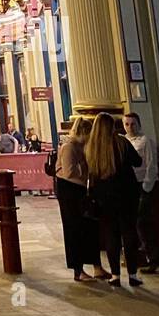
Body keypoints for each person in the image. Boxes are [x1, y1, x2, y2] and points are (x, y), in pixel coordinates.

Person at [85, 112, 143, 287]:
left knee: (111, 235)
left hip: (104, 198)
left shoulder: (92, 148)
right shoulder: (121, 142)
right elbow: (138, 161)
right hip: (127, 194)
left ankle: (115, 275)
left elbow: (92, 175)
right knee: (129, 233)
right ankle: (132, 274)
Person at [55, 117, 110, 283]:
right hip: (69, 192)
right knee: (74, 229)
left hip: (81, 191)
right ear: (83, 133)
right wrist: (86, 168)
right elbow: (69, 172)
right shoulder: (68, 147)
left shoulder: (82, 146)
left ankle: (97, 267)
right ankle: (78, 271)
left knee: (90, 228)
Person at [123, 111, 159, 275]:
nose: (130, 127)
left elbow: (152, 165)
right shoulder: (124, 141)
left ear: (139, 124)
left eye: (133, 124)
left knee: (143, 223)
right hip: (131, 186)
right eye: (127, 124)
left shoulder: (146, 141)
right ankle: (152, 259)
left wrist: (147, 187)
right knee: (140, 225)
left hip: (145, 186)